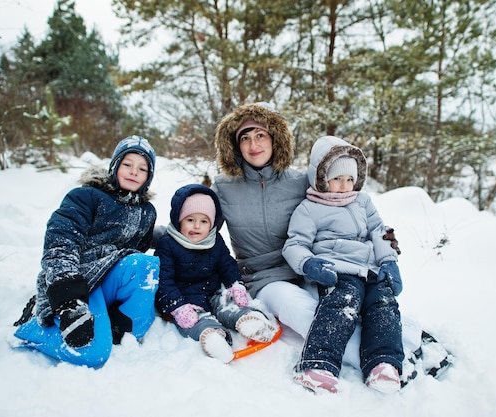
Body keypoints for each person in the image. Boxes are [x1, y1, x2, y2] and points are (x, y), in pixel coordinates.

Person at [212, 102, 450, 385]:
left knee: (351, 304)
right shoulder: (224, 187)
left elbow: (348, 207)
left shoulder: (300, 181)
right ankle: (397, 361)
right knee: (309, 315)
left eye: (261, 135)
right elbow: (198, 228)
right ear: (235, 145)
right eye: (245, 137)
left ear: (275, 139)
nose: (254, 144)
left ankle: (410, 338)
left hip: (314, 268)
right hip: (267, 277)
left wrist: (384, 247)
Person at [12, 135, 160, 368]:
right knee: (93, 354)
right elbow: (61, 241)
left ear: (148, 177)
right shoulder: (86, 197)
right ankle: (34, 329)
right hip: (80, 279)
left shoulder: (146, 212)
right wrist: (68, 298)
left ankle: (118, 329)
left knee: (146, 265)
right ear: (115, 166)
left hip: (110, 276)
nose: (134, 172)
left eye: (142, 169)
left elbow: (136, 253)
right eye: (127, 164)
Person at [283, 135, 404, 394]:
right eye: (337, 179)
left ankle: (383, 364)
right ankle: (320, 365)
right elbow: (294, 244)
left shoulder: (362, 201)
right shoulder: (309, 208)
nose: (345, 185)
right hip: (338, 269)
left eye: (350, 179)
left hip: (369, 268)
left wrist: (389, 261)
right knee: (343, 303)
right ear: (321, 177)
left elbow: (379, 231)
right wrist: (308, 264)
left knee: (384, 303)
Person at [154, 184, 278, 363]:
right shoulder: (168, 244)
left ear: (211, 224)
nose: (196, 226)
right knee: (196, 320)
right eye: (190, 220)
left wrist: (236, 285)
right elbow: (163, 281)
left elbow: (227, 265)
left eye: (204, 221)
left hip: (212, 293)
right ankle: (212, 337)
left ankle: (247, 320)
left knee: (227, 304)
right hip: (186, 300)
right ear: (178, 219)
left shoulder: (215, 241)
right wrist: (177, 306)